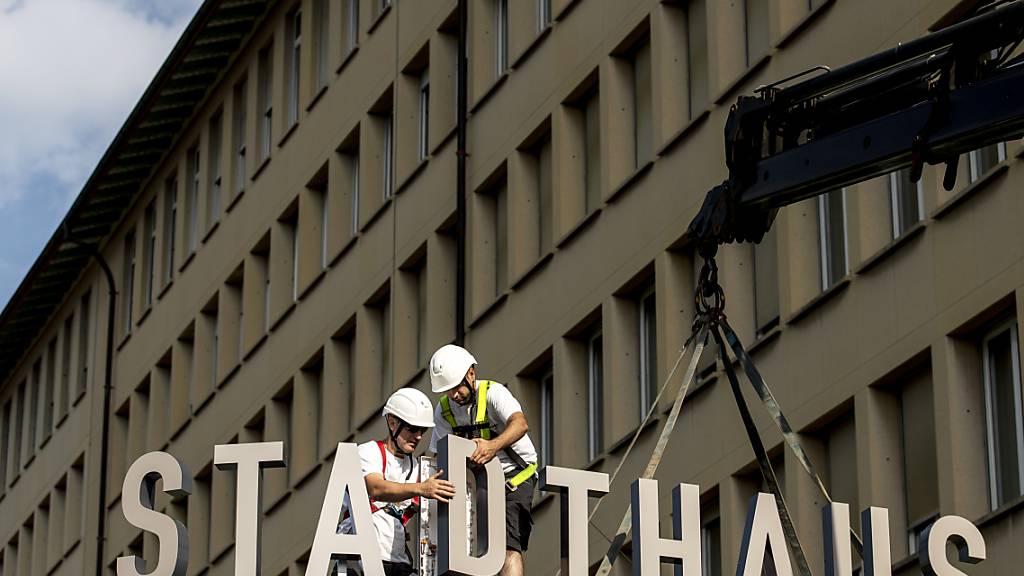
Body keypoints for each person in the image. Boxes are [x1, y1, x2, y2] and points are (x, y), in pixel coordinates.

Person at [427, 344, 539, 576]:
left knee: (508, 547)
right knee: (471, 552)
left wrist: (492, 446)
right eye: (447, 390)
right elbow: (437, 457)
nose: (453, 395)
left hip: (515, 477)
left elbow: (520, 424)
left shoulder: (493, 393)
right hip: (477, 485)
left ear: (471, 373)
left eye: (456, 387)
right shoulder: (444, 410)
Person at [338, 388, 456, 576]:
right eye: (412, 429)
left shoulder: (418, 468)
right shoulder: (368, 452)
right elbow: (376, 488)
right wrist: (421, 488)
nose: (418, 436)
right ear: (392, 423)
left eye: (422, 430)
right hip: (358, 558)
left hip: (396, 561)